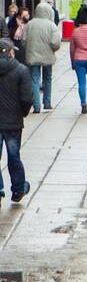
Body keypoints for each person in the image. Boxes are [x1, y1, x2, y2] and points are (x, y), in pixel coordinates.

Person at [0, 38, 33, 203]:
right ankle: (19, 188)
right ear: (9, 52)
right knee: (14, 156)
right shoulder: (21, 70)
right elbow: (27, 98)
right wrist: (23, 113)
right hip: (13, 121)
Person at [22, 3, 61, 113]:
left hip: (33, 55)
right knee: (47, 79)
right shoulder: (52, 25)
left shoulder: (29, 24)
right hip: (48, 56)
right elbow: (56, 43)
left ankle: (36, 105)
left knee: (34, 79)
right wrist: (52, 50)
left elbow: (23, 40)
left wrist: (29, 48)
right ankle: (47, 102)